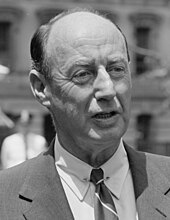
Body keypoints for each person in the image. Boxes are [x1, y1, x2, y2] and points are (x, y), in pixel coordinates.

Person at [0, 8, 170, 220]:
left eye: (117, 69)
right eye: (83, 74)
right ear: (42, 88)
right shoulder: (5, 200)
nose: (108, 89)